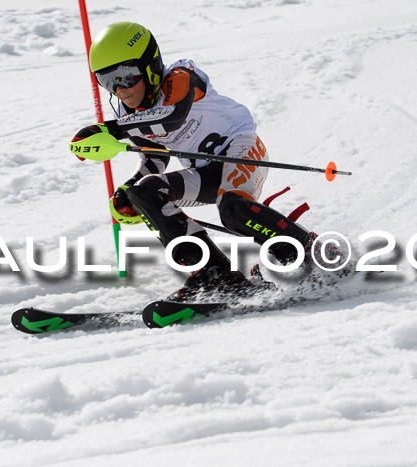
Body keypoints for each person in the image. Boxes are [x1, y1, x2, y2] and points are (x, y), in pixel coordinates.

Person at [70, 22, 320, 301]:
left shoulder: (181, 76)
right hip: (205, 172)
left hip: (241, 150)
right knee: (144, 192)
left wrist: (113, 129)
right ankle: (215, 277)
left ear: (150, 66)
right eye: (107, 81)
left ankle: (314, 253)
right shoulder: (134, 111)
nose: (120, 89)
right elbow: (153, 156)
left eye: (126, 76)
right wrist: (127, 192)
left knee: (232, 208)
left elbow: (172, 115)